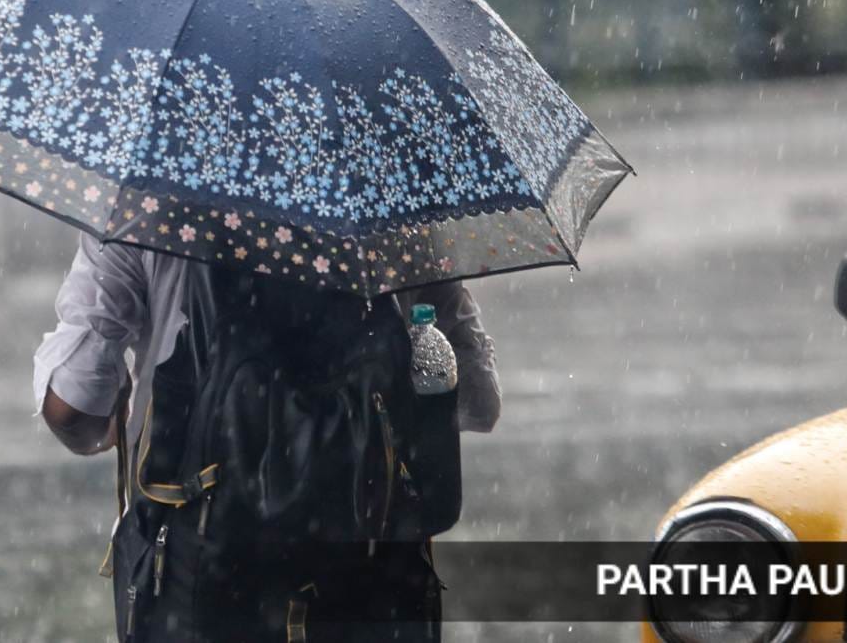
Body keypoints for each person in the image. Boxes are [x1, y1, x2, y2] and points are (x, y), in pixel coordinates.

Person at [36, 233, 501, 641]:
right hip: (369, 564)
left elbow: (74, 404)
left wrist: (122, 421)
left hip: (201, 571)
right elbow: (478, 402)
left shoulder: (148, 198)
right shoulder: (392, 193)